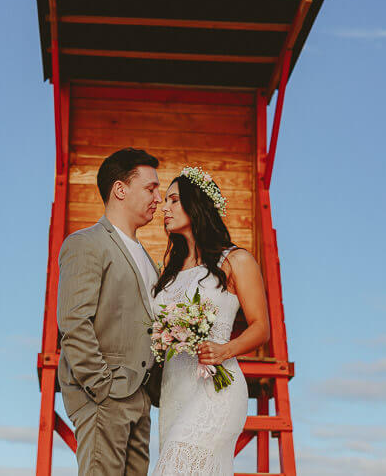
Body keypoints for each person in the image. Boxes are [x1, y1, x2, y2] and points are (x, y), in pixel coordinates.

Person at [151, 167, 270, 475]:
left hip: (217, 388)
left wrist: (224, 350)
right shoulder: (169, 275)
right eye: (165, 201)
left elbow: (261, 327)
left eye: (174, 200)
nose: (164, 208)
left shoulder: (236, 260)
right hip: (174, 389)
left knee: (175, 465)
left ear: (198, 204)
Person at [57, 147, 164, 475]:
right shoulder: (86, 243)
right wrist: (104, 389)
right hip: (105, 396)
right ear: (120, 189)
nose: (158, 198)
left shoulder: (150, 261)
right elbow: (74, 322)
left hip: (141, 398)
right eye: (150, 188)